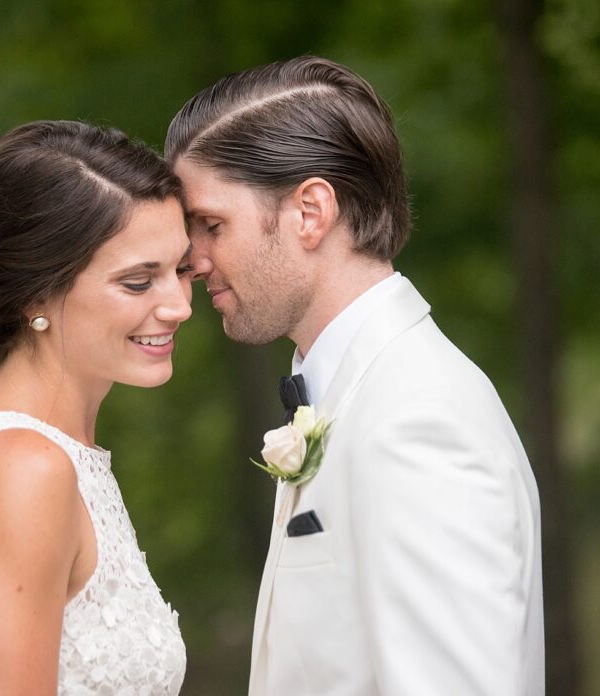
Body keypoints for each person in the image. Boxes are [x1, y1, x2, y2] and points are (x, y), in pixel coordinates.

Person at [166, 56, 545, 695]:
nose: (193, 261)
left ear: (310, 212)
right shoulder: (362, 392)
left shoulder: (417, 419)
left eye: (210, 225)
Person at [0, 120, 196, 695]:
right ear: (38, 292)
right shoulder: (20, 467)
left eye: (182, 270)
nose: (179, 306)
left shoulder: (59, 455)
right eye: (140, 282)